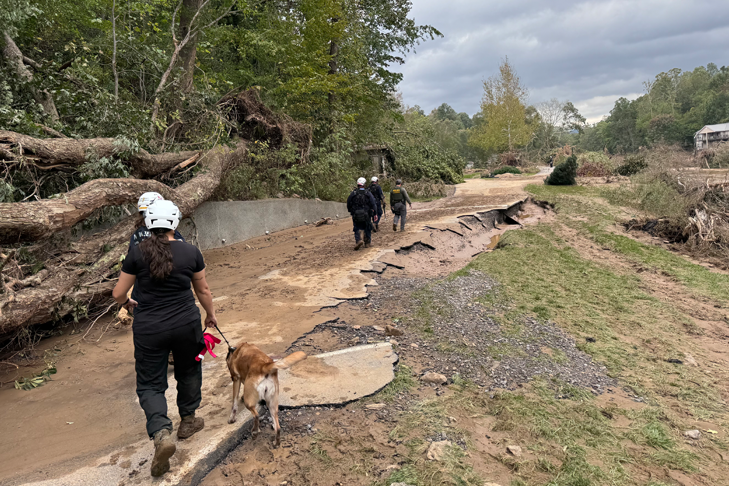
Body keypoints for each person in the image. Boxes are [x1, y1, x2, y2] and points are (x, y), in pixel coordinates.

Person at [112, 200, 218, 478]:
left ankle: (161, 432)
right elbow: (203, 289)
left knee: (149, 384)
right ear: (175, 223)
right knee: (189, 369)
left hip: (149, 329)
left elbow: (117, 294)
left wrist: (128, 301)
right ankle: (188, 421)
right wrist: (211, 315)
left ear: (148, 223)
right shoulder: (191, 251)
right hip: (186, 324)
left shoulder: (136, 253)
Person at [346, 177, 377, 250]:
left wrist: (351, 211)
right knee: (367, 227)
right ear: (364, 184)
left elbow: (348, 203)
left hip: (356, 214)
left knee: (357, 227)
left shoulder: (353, 193)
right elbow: (373, 203)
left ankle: (358, 240)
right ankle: (367, 242)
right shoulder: (368, 193)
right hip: (366, 214)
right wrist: (375, 213)